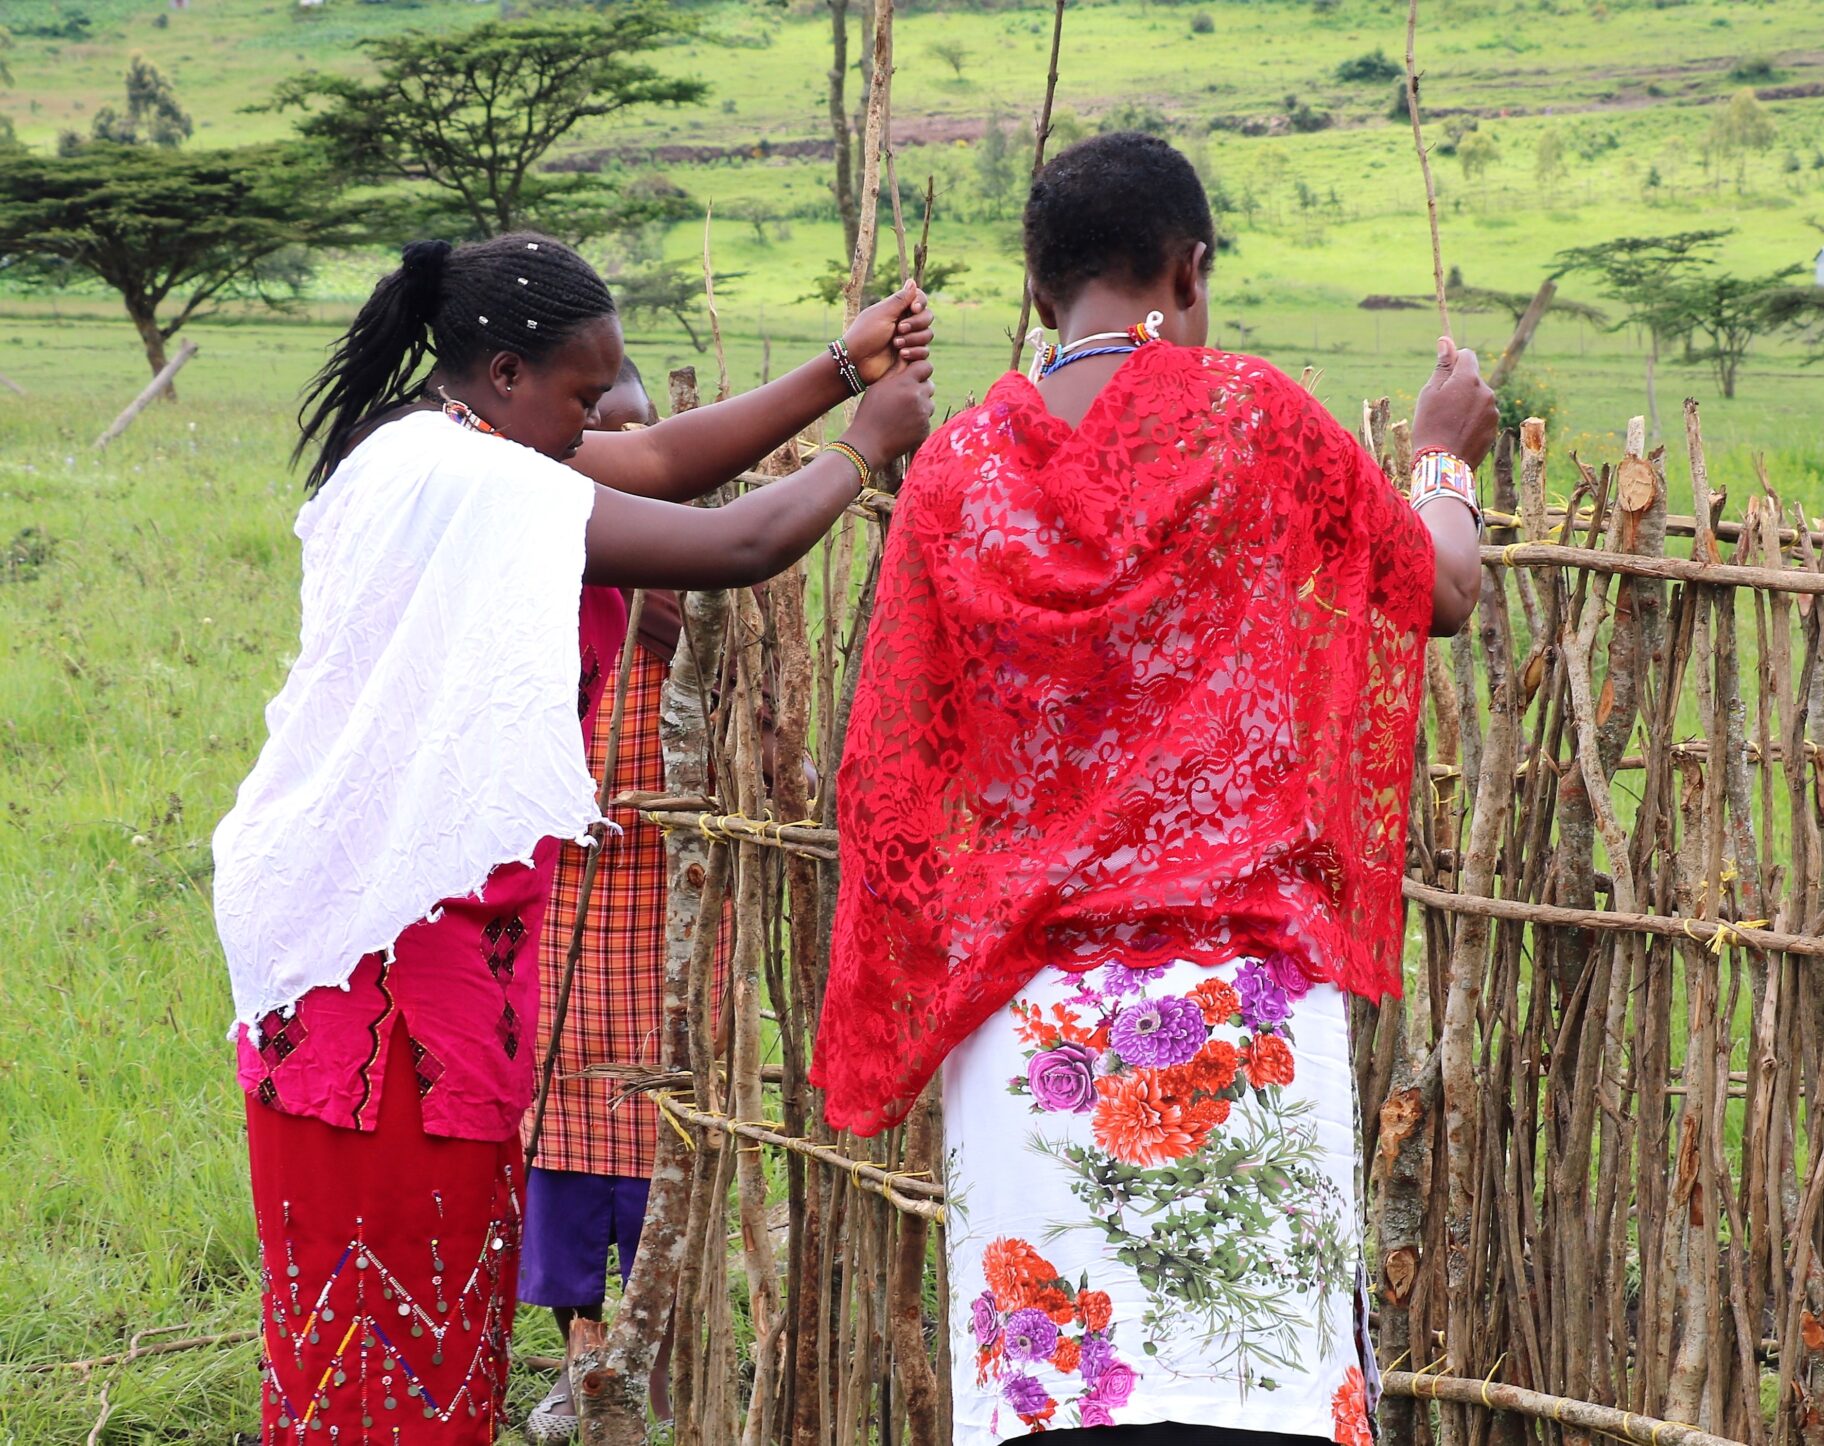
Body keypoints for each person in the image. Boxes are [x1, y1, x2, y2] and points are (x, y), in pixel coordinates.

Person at [809, 131, 1496, 1446]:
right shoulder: (1254, 418)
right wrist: (1442, 455)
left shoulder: (954, 471)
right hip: (1240, 1021)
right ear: (1189, 270)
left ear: (1035, 284)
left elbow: (895, 767)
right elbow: (1444, 588)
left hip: (1026, 1036)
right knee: (1257, 1405)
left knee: (1058, 1408)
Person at [214, 232, 934, 1445]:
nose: (595, 415)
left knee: (414, 1309)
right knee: (386, 1308)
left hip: (403, 934)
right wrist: (865, 446)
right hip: (385, 964)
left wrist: (837, 364)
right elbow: (735, 545)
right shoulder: (479, 484)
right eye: (577, 393)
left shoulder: (436, 443)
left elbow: (654, 458)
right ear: (502, 375)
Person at [514, 359, 685, 1443]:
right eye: (598, 438)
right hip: (562, 936)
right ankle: (582, 1356)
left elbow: (771, 759)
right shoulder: (538, 592)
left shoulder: (706, 607)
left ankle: (650, 1344)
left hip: (672, 937)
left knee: (659, 1149)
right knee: (566, 1153)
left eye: (641, 443)